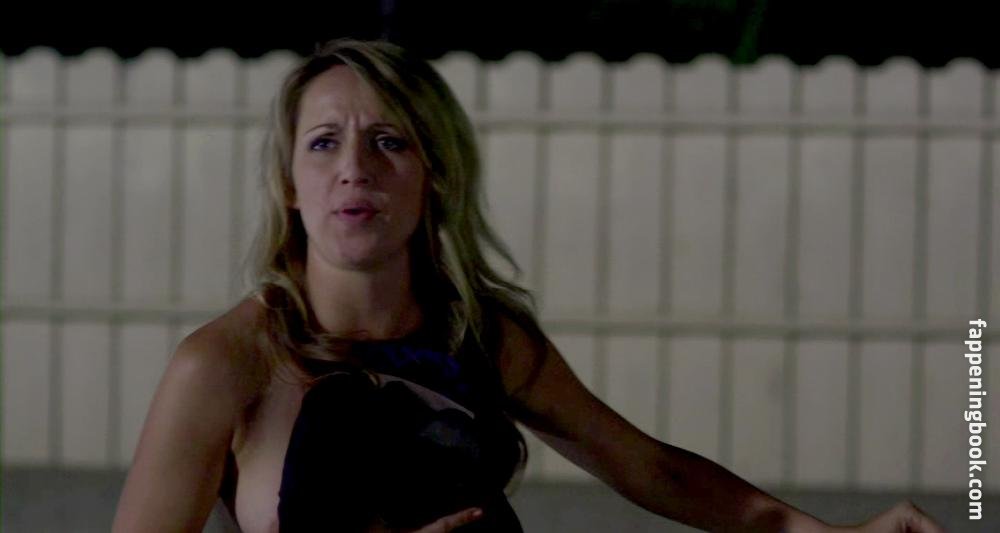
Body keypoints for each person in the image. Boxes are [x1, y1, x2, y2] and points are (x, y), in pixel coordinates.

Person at [112, 38, 946, 533]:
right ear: (290, 184)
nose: (354, 168)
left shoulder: (482, 337)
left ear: (436, 172)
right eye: (324, 142)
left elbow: (652, 470)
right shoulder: (226, 363)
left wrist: (820, 531)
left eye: (389, 141)